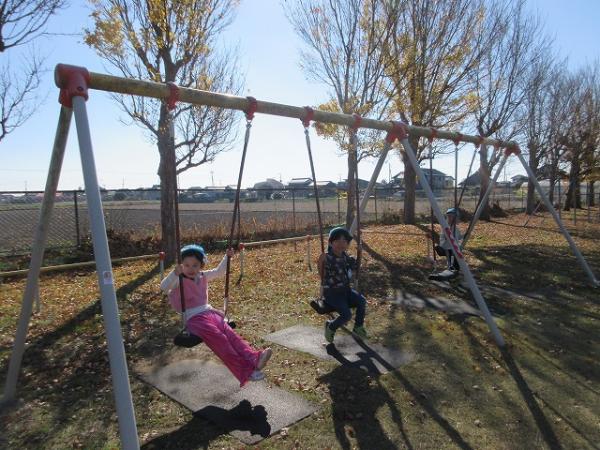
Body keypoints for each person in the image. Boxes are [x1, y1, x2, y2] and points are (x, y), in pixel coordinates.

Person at [160, 244, 272, 386]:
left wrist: (227, 257)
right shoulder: (178, 279)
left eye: (195, 265)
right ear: (181, 265)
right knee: (221, 340)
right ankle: (246, 372)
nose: (191, 269)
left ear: (201, 265)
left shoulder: (203, 276)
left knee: (231, 335)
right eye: (186, 265)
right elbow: (163, 287)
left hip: (209, 313)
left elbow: (219, 272)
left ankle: (255, 358)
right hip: (194, 319)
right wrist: (174, 274)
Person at [318, 227, 368, 343]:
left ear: (347, 244)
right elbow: (322, 275)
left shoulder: (346, 257)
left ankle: (358, 327)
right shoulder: (326, 257)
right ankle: (331, 326)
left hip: (346, 291)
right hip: (332, 293)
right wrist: (321, 260)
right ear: (331, 242)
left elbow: (356, 267)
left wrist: (360, 252)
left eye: (344, 241)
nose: (341, 244)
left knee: (362, 301)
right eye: (337, 241)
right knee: (346, 315)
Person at [435, 207, 463, 272]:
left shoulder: (456, 228)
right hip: (447, 246)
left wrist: (465, 235)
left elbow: (459, 237)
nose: (450, 218)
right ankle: (450, 267)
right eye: (449, 217)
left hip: (454, 247)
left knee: (456, 257)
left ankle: (455, 268)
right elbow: (443, 237)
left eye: (451, 217)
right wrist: (446, 236)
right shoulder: (446, 228)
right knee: (451, 257)